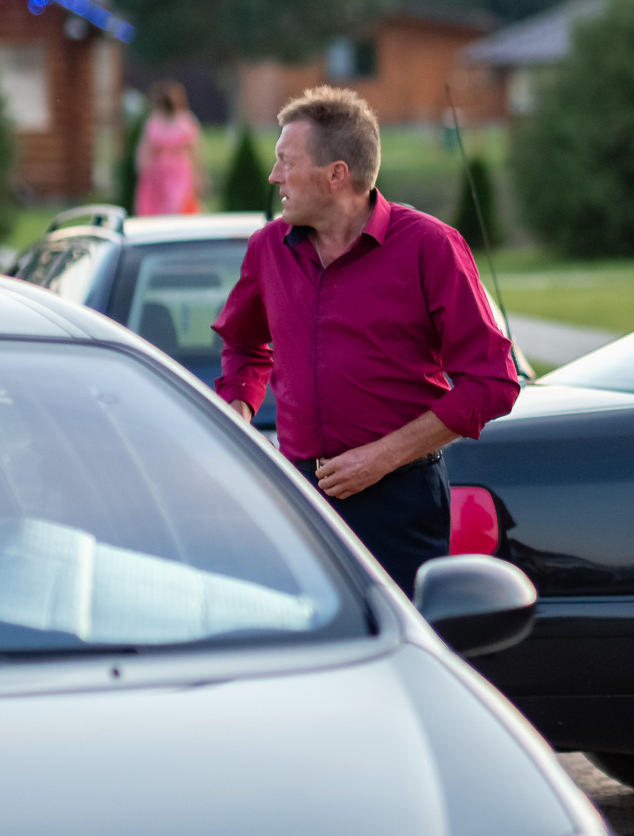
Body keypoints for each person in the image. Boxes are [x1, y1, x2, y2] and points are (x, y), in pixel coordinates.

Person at [214, 86, 520, 595]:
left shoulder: (431, 246)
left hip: (400, 501)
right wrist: (239, 414)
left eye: (286, 162)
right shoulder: (268, 247)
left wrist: (380, 458)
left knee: (399, 651)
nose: (273, 177)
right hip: (300, 496)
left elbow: (493, 383)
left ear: (337, 174)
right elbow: (245, 345)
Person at [135, 82, 208, 216]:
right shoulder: (156, 122)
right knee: (161, 209)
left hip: (178, 173)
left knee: (177, 206)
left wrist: (198, 177)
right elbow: (145, 152)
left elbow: (194, 152)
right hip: (161, 174)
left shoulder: (184, 121)